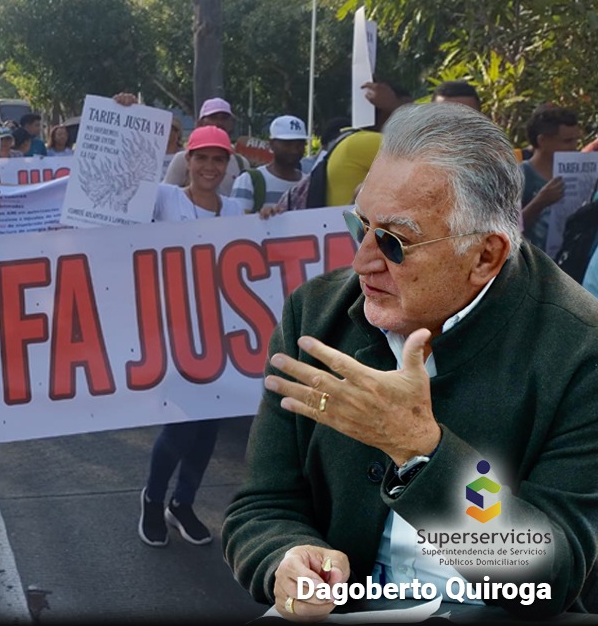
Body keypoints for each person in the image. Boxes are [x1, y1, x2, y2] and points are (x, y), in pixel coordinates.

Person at [222, 102, 598, 620]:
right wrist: (285, 558)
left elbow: (548, 576)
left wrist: (421, 453)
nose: (362, 261)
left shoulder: (580, 350)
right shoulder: (316, 314)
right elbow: (262, 504)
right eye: (361, 225)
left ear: (485, 256)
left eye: (395, 242)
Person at [138, 125, 248, 549]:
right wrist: (125, 111)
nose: (209, 167)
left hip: (221, 336)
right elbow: (110, 197)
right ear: (187, 160)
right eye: (201, 157)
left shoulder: (237, 209)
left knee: (208, 429)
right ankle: (152, 498)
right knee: (182, 425)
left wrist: (273, 222)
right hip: (175, 333)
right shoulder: (165, 198)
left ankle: (182, 503)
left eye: (218, 159)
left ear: (227, 164)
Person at [323, 81, 411, 207]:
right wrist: (395, 105)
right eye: (408, 110)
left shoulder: (349, 141)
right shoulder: (369, 143)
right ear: (385, 110)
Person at [520, 106, 581, 254]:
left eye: (576, 141)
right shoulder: (520, 175)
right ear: (542, 141)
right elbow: (502, 229)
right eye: (567, 141)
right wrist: (540, 202)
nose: (574, 147)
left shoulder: (579, 173)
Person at [162, 97, 249, 195]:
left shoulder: (241, 163)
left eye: (224, 118)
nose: (219, 122)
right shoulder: (182, 159)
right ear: (200, 123)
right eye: (213, 117)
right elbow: (165, 195)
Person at [238, 116, 308, 218]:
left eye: (299, 145)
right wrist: (261, 218)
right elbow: (236, 222)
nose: (294, 150)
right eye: (287, 144)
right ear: (271, 144)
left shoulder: (308, 184)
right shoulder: (249, 181)